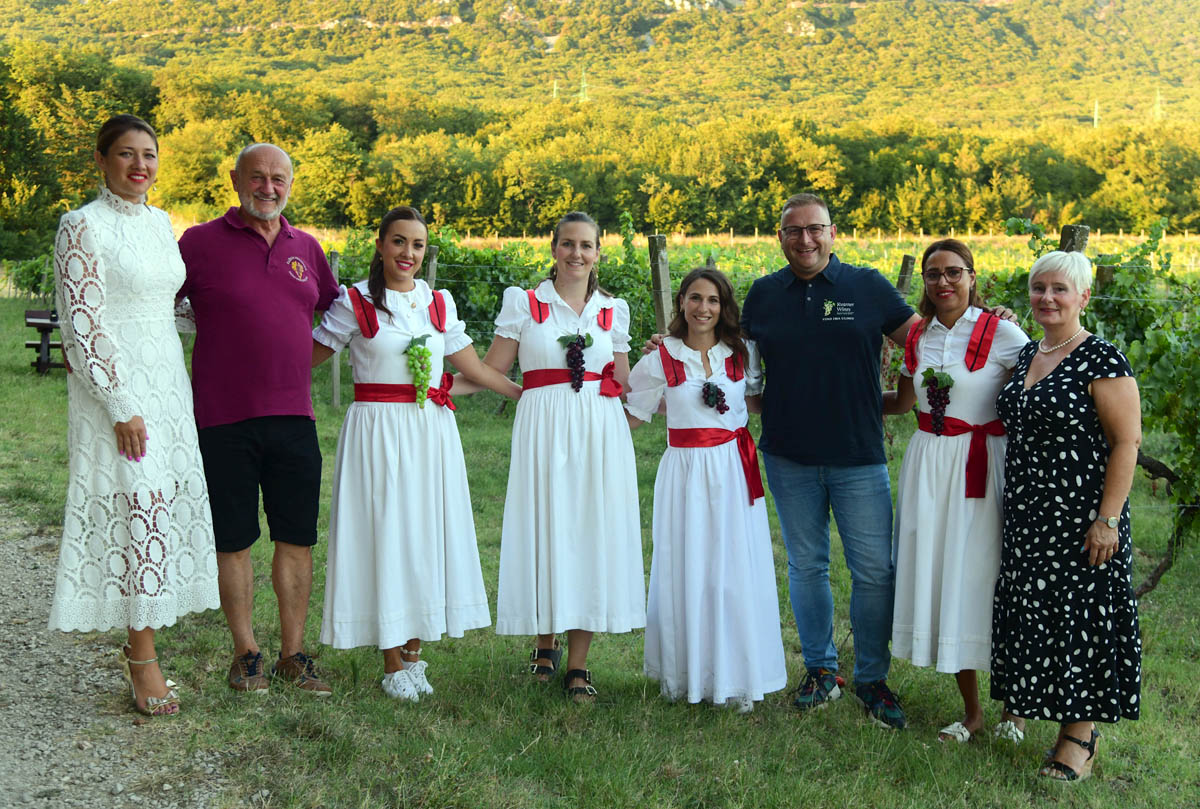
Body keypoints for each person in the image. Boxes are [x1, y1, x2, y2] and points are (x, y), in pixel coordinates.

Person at [311, 206, 522, 700]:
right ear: (381, 244)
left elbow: (474, 368)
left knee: (426, 535)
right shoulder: (357, 302)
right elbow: (306, 357)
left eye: (418, 245)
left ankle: (412, 655)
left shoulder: (437, 303)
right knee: (386, 533)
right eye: (399, 242)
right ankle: (390, 662)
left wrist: (523, 393)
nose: (408, 253)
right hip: (378, 432)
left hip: (430, 432)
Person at [48, 114, 220, 716]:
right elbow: (82, 326)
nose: (139, 165)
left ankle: (146, 644)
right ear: (100, 160)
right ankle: (141, 659)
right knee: (134, 506)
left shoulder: (159, 222)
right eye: (126, 154)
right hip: (118, 395)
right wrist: (120, 404)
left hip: (169, 386)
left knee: (161, 504)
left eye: (148, 154)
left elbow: (163, 305)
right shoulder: (81, 226)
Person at [739, 192, 919, 729]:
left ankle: (871, 678)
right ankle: (820, 669)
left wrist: (902, 399)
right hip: (789, 456)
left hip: (858, 455)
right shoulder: (764, 295)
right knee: (806, 565)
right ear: (780, 238)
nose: (805, 240)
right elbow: (732, 357)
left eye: (815, 229)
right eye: (793, 231)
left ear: (833, 232)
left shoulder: (867, 286)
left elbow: (926, 341)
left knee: (872, 571)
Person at [177, 143, 339, 695]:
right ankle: (246, 654)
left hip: (295, 418)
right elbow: (158, 309)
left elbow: (334, 317)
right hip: (223, 419)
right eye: (257, 177)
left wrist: (298, 361)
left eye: (278, 178)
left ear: (290, 183)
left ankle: (294, 654)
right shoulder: (197, 243)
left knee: (297, 538)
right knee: (235, 540)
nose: (268, 188)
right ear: (235, 179)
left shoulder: (307, 248)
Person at [482, 211, 645, 702]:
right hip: (542, 429)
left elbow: (623, 381)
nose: (577, 254)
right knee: (545, 526)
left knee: (589, 531)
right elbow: (493, 367)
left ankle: (578, 664)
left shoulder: (614, 310)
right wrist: (527, 396)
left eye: (587, 246)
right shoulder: (525, 302)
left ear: (598, 253)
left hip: (599, 431)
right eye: (568, 244)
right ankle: (543, 644)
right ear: (553, 248)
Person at [992, 250, 1142, 781]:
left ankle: (1079, 735)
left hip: (1082, 517)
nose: (1047, 298)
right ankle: (1030, 707)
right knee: (1039, 614)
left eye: (1060, 289)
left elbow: (1127, 442)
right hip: (1029, 514)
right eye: (1038, 289)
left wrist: (1107, 519)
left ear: (1084, 296)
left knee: (1083, 621)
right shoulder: (1030, 351)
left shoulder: (1102, 358)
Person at [883, 240, 1028, 742]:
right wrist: (835, 401)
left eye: (953, 272)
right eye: (932, 274)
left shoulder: (1003, 330)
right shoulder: (918, 335)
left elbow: (1039, 386)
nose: (943, 282)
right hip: (928, 464)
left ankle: (1015, 710)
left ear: (971, 275)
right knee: (945, 577)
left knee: (989, 578)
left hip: (982, 465)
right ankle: (972, 712)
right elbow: (903, 403)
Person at [625, 267, 786, 713]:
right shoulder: (663, 357)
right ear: (681, 303)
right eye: (695, 298)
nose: (703, 308)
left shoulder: (741, 353)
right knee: (688, 565)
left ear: (724, 307)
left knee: (734, 566)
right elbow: (633, 414)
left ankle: (737, 674)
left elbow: (753, 403)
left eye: (713, 300)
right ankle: (688, 674)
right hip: (686, 474)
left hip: (734, 470)